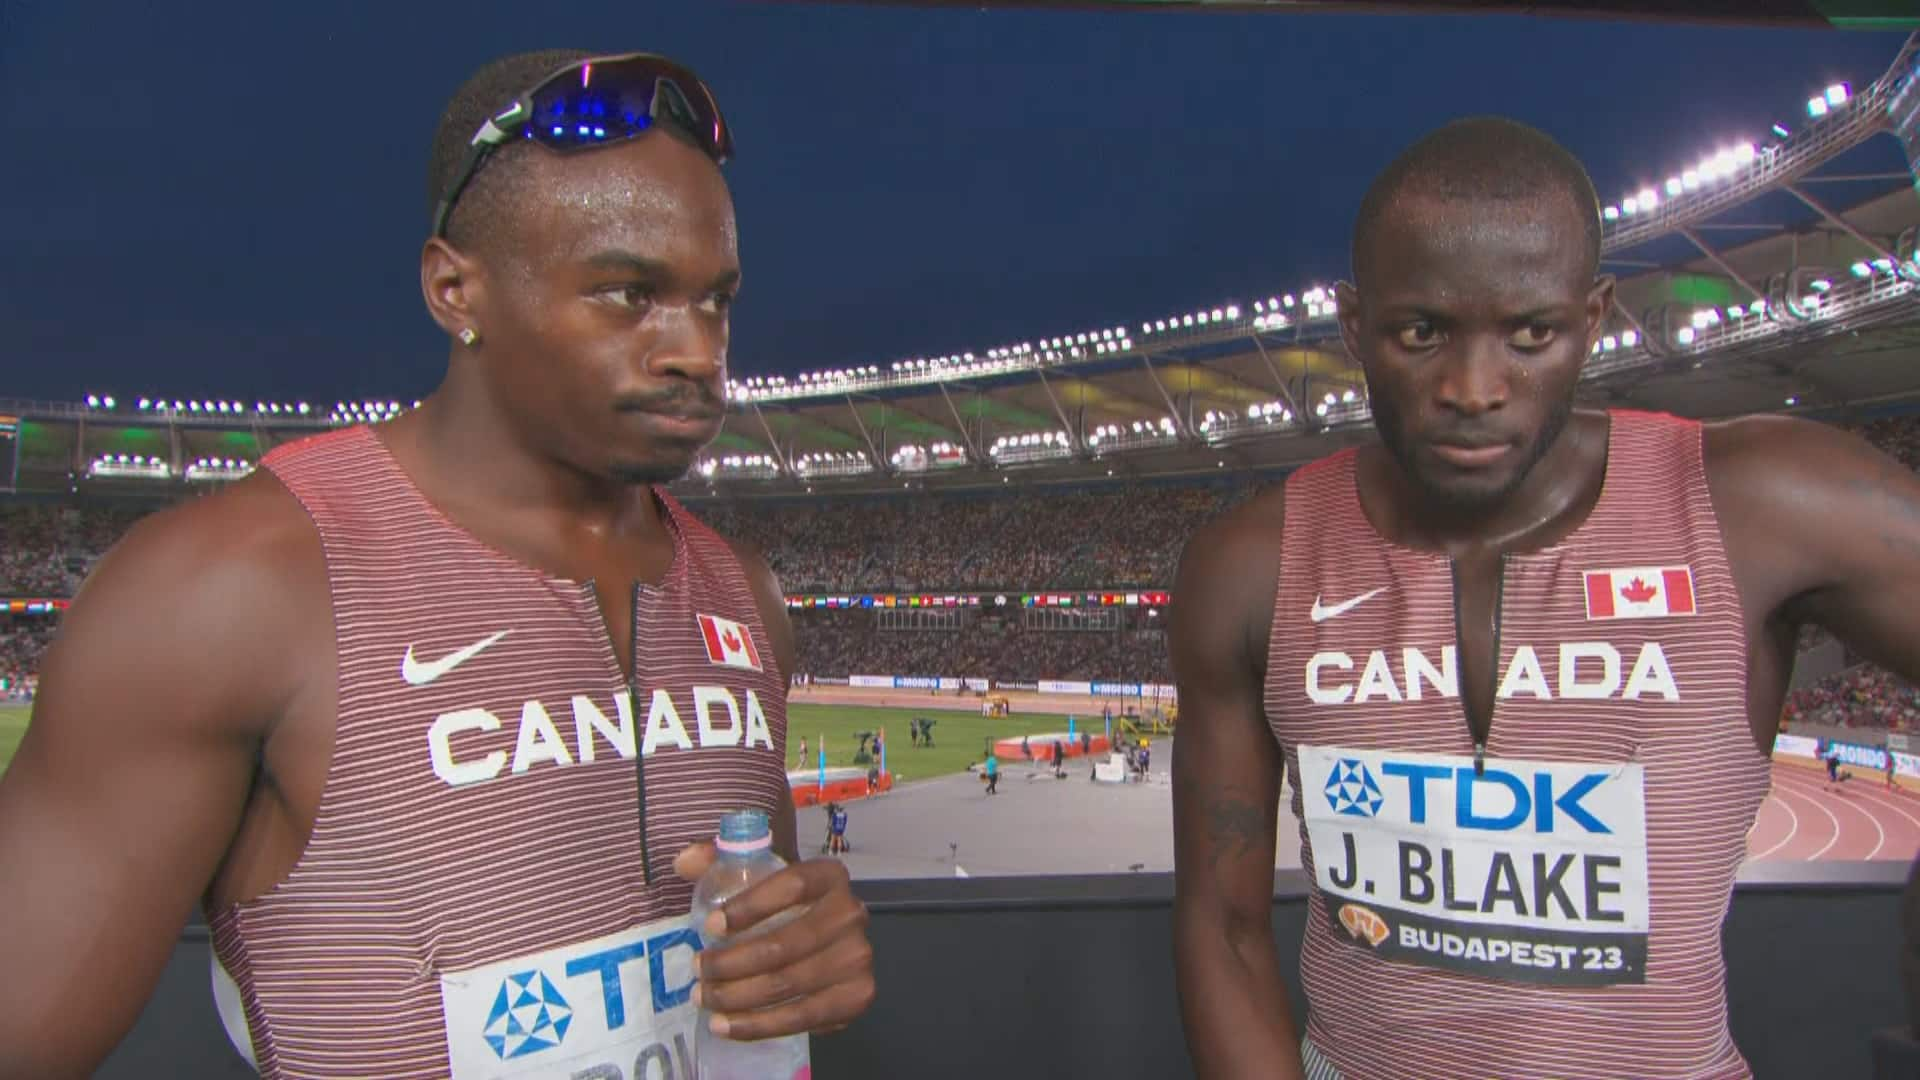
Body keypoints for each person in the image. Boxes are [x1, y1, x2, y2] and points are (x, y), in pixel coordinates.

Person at [0, 50, 875, 1077]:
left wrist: (806, 957)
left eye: (715, 300)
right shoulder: (232, 588)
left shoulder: (744, 591)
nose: (695, 349)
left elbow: (756, 928)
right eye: (629, 294)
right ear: (455, 291)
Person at [1170, 115, 1920, 1080]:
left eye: (1531, 333)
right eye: (1420, 332)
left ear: (1595, 317)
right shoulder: (1252, 563)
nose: (1474, 387)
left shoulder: (1768, 503)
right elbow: (1223, 929)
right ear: (1354, 326)